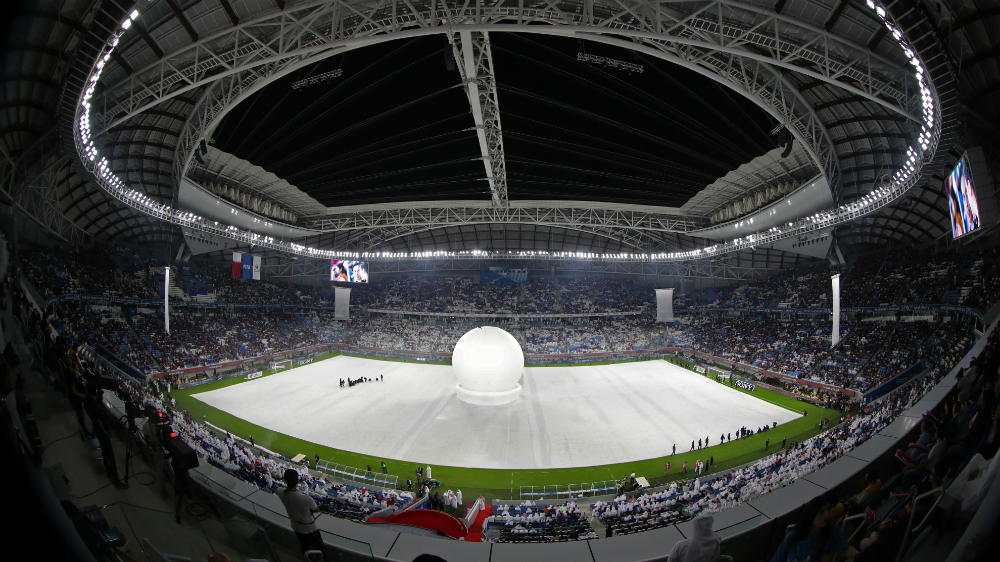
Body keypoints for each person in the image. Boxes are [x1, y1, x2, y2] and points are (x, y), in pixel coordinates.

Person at [770, 495, 857, 562]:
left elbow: (845, 549)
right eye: (821, 512)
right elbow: (778, 558)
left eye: (828, 509)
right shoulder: (793, 535)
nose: (827, 514)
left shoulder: (831, 532)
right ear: (811, 516)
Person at [84, 385, 126, 489]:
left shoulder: (87, 402)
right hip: (101, 431)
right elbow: (99, 419)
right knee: (110, 455)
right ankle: (116, 481)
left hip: (97, 430)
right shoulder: (93, 404)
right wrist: (105, 431)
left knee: (105, 452)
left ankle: (108, 473)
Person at [277, 469, 324, 558]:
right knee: (319, 548)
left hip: (295, 526)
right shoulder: (306, 498)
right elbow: (316, 509)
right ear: (297, 481)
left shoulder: (280, 492)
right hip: (310, 528)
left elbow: (282, 490)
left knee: (304, 547)